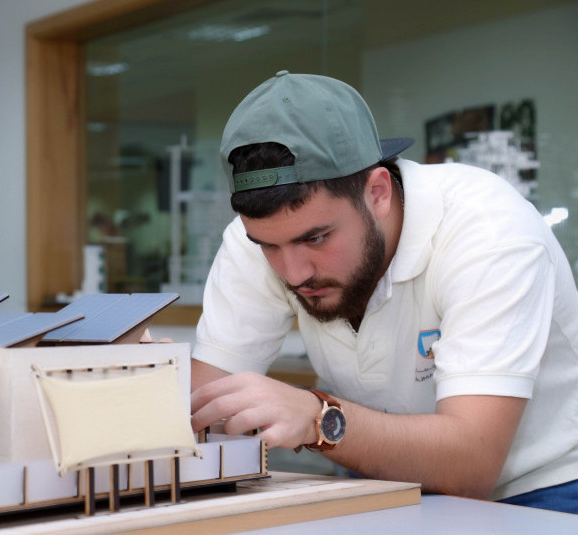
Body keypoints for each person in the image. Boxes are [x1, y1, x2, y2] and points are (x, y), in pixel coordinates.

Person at [189, 70, 578, 513]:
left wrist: (316, 418)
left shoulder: (491, 233)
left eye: (316, 238)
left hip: (537, 489)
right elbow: (203, 412)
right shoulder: (260, 239)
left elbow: (470, 466)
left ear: (377, 193)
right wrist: (146, 382)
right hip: (382, 477)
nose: (294, 274)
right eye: (269, 246)